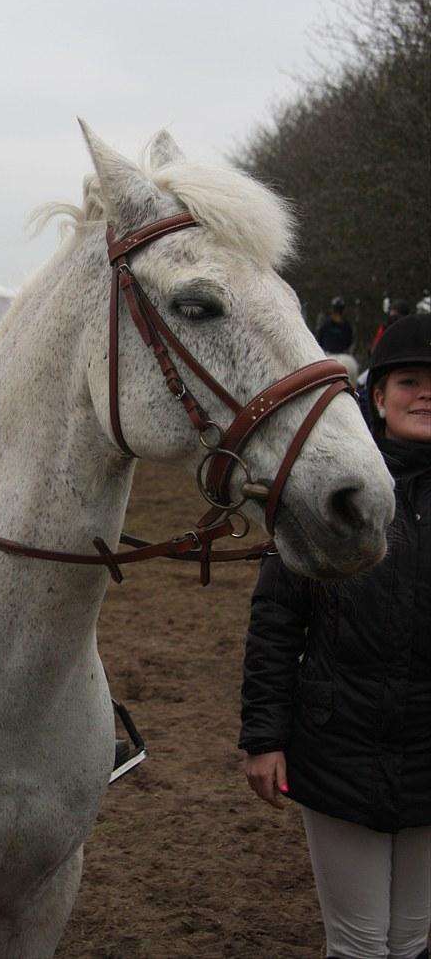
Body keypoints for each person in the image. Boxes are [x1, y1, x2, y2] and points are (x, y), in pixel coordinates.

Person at [239, 312, 431, 959]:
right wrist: (263, 735)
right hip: (338, 745)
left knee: (411, 940)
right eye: (409, 381)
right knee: (356, 944)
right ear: (377, 395)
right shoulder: (325, 492)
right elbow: (275, 621)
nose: (425, 394)